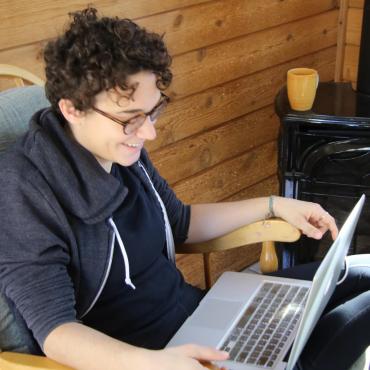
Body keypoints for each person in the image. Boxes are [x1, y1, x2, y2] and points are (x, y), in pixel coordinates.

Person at [0, 7, 368, 370]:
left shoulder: (119, 149)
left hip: (199, 315)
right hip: (152, 353)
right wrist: (156, 364)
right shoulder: (24, 190)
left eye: (153, 111)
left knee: (360, 273)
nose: (149, 133)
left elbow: (180, 221)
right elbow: (55, 331)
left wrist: (274, 204)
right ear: (72, 109)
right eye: (130, 120)